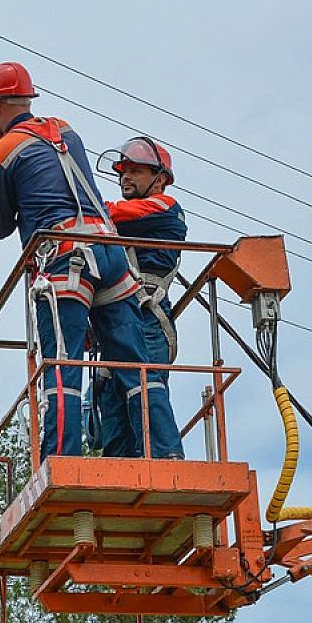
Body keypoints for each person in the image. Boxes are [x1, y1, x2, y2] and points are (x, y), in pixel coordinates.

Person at [0, 62, 179, 462]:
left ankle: (60, 460)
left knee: (62, 369)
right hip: (108, 254)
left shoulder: (2, 155)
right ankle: (167, 455)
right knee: (137, 369)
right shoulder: (65, 130)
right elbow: (42, 162)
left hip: (64, 260)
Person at [94, 138, 186, 459]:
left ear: (159, 179)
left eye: (135, 171)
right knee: (113, 391)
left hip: (148, 315)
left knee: (144, 383)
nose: (125, 177)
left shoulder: (164, 207)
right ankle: (118, 467)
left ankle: (166, 457)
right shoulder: (127, 221)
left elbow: (106, 213)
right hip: (122, 317)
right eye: (122, 172)